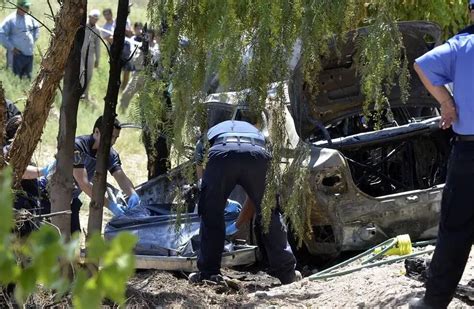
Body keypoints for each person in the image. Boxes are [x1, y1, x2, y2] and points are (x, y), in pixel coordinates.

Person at [190, 119, 299, 285]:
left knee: (210, 213)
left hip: (222, 153)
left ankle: (208, 274)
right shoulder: (259, 134)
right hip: (257, 155)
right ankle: (287, 274)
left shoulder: (208, 135)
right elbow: (256, 200)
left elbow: (202, 181)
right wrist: (238, 224)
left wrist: (217, 204)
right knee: (269, 213)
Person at [409, 32, 474, 308]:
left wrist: (446, 103)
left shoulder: (462, 45)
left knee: (455, 228)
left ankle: (434, 303)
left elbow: (421, 64)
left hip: (470, 152)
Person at [70, 116, 140, 233]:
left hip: (72, 199)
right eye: (110, 136)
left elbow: (120, 176)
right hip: (51, 196)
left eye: (116, 138)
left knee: (73, 238)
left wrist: (133, 194)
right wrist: (111, 206)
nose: (112, 142)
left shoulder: (110, 154)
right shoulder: (77, 146)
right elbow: (84, 183)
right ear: (96, 132)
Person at [120, 29, 160, 110]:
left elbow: (156, 61)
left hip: (149, 76)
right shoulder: (140, 45)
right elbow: (133, 60)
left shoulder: (156, 47)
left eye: (149, 35)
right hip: (137, 74)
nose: (147, 36)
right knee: (126, 94)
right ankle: (121, 111)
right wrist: (142, 51)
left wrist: (148, 53)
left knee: (145, 100)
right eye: (146, 35)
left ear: (153, 36)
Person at [0, 0, 39, 79]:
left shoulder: (30, 19)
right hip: (16, 55)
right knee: (15, 78)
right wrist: (11, 48)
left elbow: (36, 29)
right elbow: (1, 34)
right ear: (19, 7)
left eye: (28, 7)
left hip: (29, 55)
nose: (28, 9)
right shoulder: (11, 19)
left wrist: (31, 42)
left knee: (27, 79)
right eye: (26, 7)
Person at [80, 9, 101, 101]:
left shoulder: (97, 30)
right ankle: (79, 93)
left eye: (96, 19)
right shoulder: (83, 26)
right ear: (89, 17)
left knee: (89, 75)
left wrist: (97, 59)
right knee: (81, 73)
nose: (94, 20)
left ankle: (85, 95)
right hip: (81, 53)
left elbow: (98, 46)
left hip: (90, 55)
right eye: (93, 18)